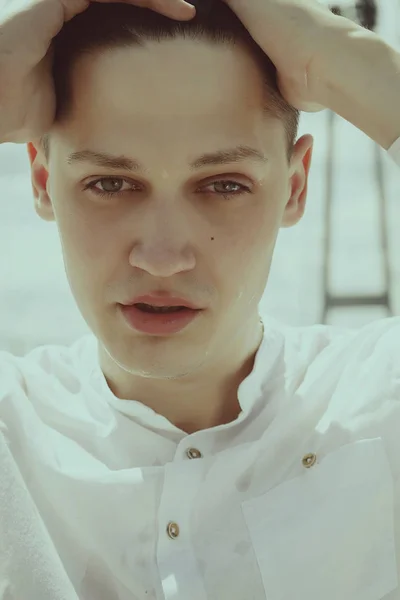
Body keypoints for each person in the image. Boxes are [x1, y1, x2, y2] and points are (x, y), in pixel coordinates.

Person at [0, 0, 399, 597]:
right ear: (42, 180)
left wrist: (338, 58)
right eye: (110, 183)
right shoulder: (13, 434)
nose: (162, 257)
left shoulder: (379, 402)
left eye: (222, 185)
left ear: (294, 186)